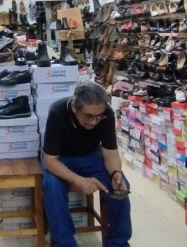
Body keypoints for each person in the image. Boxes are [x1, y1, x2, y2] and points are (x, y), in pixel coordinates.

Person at [41, 82, 132, 246]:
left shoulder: (106, 114)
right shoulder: (58, 111)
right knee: (51, 187)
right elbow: (50, 161)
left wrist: (115, 173)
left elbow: (110, 153)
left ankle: (118, 243)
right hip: (61, 159)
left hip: (90, 156)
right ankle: (65, 243)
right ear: (75, 107)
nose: (94, 122)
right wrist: (78, 180)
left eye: (99, 116)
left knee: (120, 185)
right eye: (89, 116)